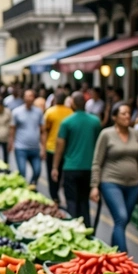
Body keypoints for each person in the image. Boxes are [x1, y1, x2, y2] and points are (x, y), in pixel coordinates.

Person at [91, 102, 138, 253]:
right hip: (111, 182)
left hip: (133, 185)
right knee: (121, 217)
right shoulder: (106, 134)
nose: (127, 116)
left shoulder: (135, 134)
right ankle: (124, 257)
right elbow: (97, 161)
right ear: (114, 117)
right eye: (123, 113)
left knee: (122, 222)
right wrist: (94, 186)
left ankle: (113, 253)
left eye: (129, 113)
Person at [52, 92, 102, 227]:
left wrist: (55, 167)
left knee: (72, 202)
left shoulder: (67, 122)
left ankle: (73, 229)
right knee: (84, 201)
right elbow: (99, 145)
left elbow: (59, 147)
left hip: (71, 168)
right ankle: (87, 230)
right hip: (89, 168)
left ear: (73, 104)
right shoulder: (95, 121)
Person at [41, 91, 73, 200]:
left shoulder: (49, 112)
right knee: (61, 173)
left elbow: (44, 131)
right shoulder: (70, 112)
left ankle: (54, 196)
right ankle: (58, 194)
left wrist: (43, 147)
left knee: (52, 172)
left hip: (52, 148)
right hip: (65, 149)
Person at [10, 89, 44, 187]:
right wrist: (11, 143)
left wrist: (43, 147)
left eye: (31, 96)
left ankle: (32, 186)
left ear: (34, 98)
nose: (28, 98)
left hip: (35, 148)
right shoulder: (17, 112)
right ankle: (23, 190)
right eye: (26, 96)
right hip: (21, 147)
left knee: (37, 171)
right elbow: (12, 129)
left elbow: (43, 131)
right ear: (24, 98)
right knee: (22, 172)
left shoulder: (38, 112)